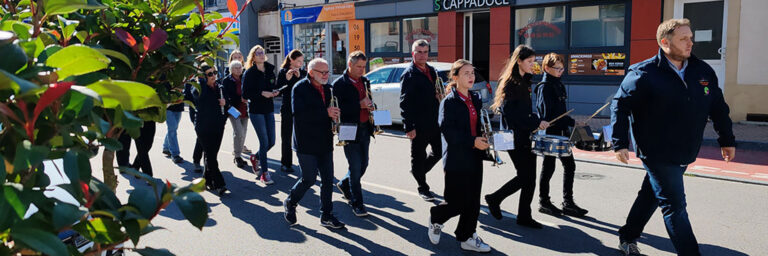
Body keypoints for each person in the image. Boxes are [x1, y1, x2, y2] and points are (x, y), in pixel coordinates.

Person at [612, 19, 735, 256]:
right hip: (656, 150)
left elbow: (718, 106)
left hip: (685, 149)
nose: (690, 43)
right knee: (675, 206)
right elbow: (620, 105)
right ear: (665, 42)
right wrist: (619, 143)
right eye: (683, 38)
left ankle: (627, 237)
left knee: (651, 194)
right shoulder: (644, 72)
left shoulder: (703, 71)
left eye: (691, 37)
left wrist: (727, 139)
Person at [427, 59, 491, 253]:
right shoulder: (449, 102)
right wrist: (472, 141)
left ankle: (467, 236)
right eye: (466, 73)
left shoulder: (475, 98)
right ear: (455, 77)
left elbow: (477, 125)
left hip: (475, 155)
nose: (471, 77)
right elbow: (448, 132)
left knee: (473, 201)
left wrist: (485, 136)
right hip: (456, 158)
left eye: (472, 73)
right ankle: (436, 216)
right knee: (456, 202)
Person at [484, 45, 549, 229]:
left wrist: (534, 121)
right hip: (514, 138)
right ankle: (495, 198)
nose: (533, 64)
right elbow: (511, 113)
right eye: (529, 61)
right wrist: (536, 121)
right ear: (519, 61)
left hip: (525, 135)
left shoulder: (525, 80)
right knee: (525, 176)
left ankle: (524, 216)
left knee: (529, 178)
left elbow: (523, 111)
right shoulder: (511, 83)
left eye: (534, 61)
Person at [283, 58, 345, 229]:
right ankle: (291, 201)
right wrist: (325, 112)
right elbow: (299, 114)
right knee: (309, 179)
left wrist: (336, 118)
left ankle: (326, 215)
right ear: (311, 73)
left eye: (327, 72)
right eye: (322, 72)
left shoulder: (329, 88)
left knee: (327, 180)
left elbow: (333, 110)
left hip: (325, 140)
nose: (326, 75)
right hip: (306, 142)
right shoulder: (299, 88)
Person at [534, 53, 588, 217]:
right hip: (551, 132)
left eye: (562, 68)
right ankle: (544, 201)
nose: (560, 71)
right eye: (557, 68)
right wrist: (572, 122)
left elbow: (561, 111)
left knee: (569, 166)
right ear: (546, 68)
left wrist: (571, 124)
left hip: (562, 131)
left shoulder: (558, 84)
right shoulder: (545, 86)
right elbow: (549, 114)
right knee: (549, 167)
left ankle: (568, 202)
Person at [399, 39, 442, 201]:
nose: (423, 55)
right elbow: (405, 103)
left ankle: (418, 171)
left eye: (425, 52)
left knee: (439, 152)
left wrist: (439, 96)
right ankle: (422, 187)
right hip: (418, 124)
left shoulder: (432, 70)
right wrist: (409, 126)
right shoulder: (409, 74)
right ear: (413, 54)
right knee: (418, 156)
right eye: (419, 52)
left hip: (434, 121)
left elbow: (437, 90)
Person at [332, 51, 374, 217]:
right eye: (358, 67)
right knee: (355, 167)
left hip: (365, 127)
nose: (362, 70)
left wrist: (371, 106)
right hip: (348, 128)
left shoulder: (365, 81)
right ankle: (357, 203)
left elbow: (368, 99)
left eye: (364, 67)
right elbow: (338, 109)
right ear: (349, 64)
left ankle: (344, 183)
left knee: (364, 164)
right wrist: (359, 105)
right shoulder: (339, 84)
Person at [243, 45, 279, 185]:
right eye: (258, 53)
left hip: (268, 109)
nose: (261, 55)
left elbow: (273, 85)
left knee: (271, 142)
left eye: (262, 52)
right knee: (264, 142)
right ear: (253, 57)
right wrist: (262, 93)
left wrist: (275, 91)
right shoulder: (250, 73)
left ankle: (255, 157)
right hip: (256, 110)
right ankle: (265, 173)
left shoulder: (270, 69)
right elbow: (246, 94)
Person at [196, 64, 229, 195]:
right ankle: (220, 184)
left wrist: (225, 103)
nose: (213, 76)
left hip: (218, 126)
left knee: (211, 155)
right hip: (204, 127)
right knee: (210, 156)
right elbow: (201, 99)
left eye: (214, 73)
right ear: (203, 77)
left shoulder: (220, 87)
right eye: (210, 74)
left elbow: (227, 103)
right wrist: (202, 82)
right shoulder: (198, 88)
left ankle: (206, 180)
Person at [276, 49, 306, 173]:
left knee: (303, 136)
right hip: (287, 108)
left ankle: (306, 163)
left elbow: (307, 88)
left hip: (301, 108)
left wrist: (300, 78)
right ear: (291, 60)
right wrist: (287, 80)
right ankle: (286, 163)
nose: (301, 64)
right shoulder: (283, 72)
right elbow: (278, 90)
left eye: (302, 61)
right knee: (286, 137)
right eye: (298, 61)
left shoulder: (303, 73)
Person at [222, 60, 249, 168]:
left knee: (244, 132)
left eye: (240, 67)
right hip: (233, 109)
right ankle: (237, 156)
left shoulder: (244, 78)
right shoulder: (227, 80)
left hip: (245, 109)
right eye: (236, 68)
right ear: (231, 70)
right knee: (239, 132)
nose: (238, 70)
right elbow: (226, 96)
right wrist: (239, 99)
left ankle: (239, 154)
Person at [163, 82, 185, 164]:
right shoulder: (166, 79)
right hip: (168, 108)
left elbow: (183, 89)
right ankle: (175, 154)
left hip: (179, 106)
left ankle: (166, 147)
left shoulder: (181, 78)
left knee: (173, 129)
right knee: (172, 130)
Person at [184, 81, 203, 172]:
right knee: (201, 137)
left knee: (210, 140)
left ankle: (210, 163)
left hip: (211, 115)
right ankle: (196, 161)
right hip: (196, 113)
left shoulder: (215, 83)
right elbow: (187, 97)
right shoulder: (192, 83)